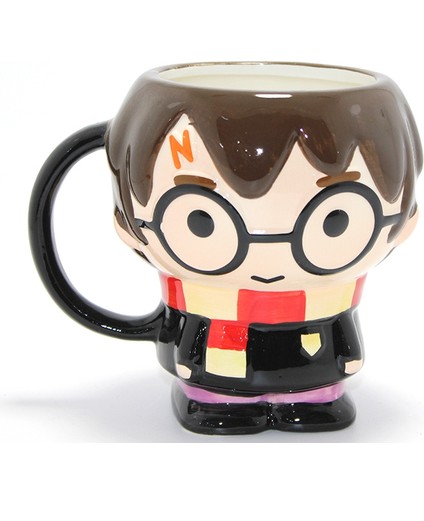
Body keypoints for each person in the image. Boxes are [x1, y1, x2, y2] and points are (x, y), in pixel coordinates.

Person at [105, 65, 422, 434]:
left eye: (334, 220)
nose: (269, 254)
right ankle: (219, 400)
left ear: (405, 221)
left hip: (314, 360)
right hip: (218, 358)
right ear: (128, 225)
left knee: (314, 383)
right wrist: (184, 352)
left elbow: (340, 328)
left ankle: (312, 398)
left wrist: (347, 355)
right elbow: (192, 334)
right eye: (200, 220)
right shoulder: (198, 299)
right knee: (219, 380)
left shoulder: (331, 298)